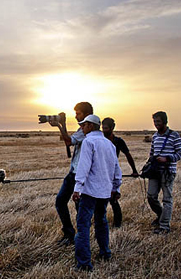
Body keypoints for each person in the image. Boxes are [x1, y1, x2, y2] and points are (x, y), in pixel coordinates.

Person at [72, 114, 122, 272]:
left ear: (91, 126)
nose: (81, 127)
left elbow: (84, 166)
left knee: (83, 226)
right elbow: (116, 169)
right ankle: (105, 252)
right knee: (101, 221)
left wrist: (77, 188)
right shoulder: (109, 144)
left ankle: (84, 263)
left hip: (89, 192)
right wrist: (116, 188)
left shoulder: (89, 141)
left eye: (84, 125)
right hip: (105, 192)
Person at [49, 102, 93, 246]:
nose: (76, 116)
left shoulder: (87, 130)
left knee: (79, 207)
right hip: (72, 173)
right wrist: (63, 125)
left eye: (78, 113)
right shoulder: (82, 130)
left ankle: (79, 238)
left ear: (87, 114)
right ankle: (70, 234)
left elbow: (68, 141)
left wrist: (60, 126)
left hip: (79, 175)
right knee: (61, 202)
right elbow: (69, 140)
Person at [147, 111, 181, 234]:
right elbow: (152, 153)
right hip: (155, 172)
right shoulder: (155, 136)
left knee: (167, 199)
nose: (156, 124)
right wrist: (148, 166)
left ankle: (164, 226)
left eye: (158, 121)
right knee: (151, 196)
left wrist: (167, 158)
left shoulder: (174, 136)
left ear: (165, 121)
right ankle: (160, 215)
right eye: (154, 122)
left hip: (168, 172)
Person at [102, 117, 139, 228]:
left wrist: (134, 170)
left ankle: (117, 224)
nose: (104, 130)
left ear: (112, 128)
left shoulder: (118, 141)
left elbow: (128, 155)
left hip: (112, 173)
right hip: (100, 173)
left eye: (106, 128)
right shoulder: (100, 140)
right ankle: (101, 222)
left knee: (113, 199)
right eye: (102, 128)